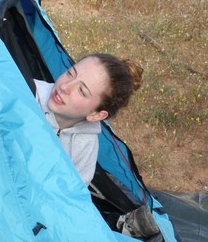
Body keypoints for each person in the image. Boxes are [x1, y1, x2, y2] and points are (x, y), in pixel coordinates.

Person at [34, 53, 143, 185]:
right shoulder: (25, 93)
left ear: (96, 115)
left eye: (81, 91)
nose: (64, 87)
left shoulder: (85, 148)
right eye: (70, 73)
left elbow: (71, 192)